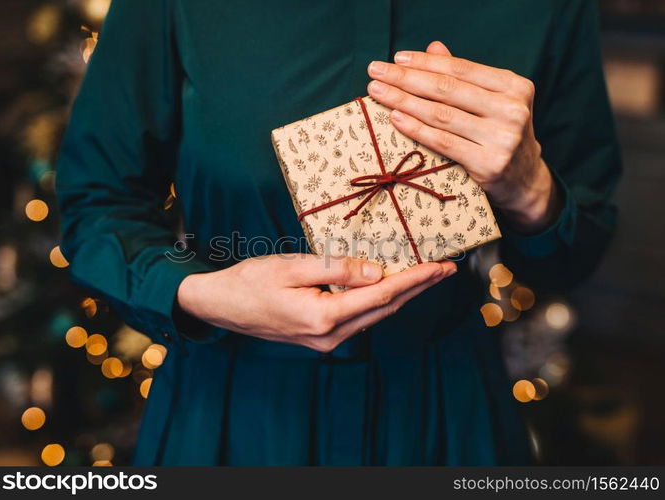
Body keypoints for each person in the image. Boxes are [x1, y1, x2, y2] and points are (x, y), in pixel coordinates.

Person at [56, 0, 621, 465]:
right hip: (232, 415)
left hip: (446, 415)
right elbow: (95, 205)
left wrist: (529, 187)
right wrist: (199, 293)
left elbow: (576, 251)